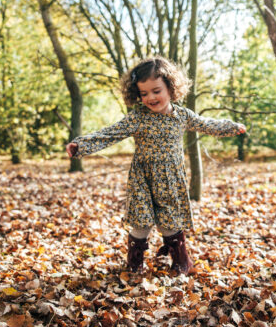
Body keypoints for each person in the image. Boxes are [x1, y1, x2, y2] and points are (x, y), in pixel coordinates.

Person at [66, 56, 246, 274]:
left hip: (170, 178)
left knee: (170, 221)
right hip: (142, 178)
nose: (150, 97)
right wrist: (80, 145)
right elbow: (109, 134)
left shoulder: (182, 115)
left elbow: (206, 124)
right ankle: (135, 264)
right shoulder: (138, 117)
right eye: (144, 93)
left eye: (156, 91)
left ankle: (181, 262)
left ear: (171, 88)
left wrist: (231, 127)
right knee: (140, 221)